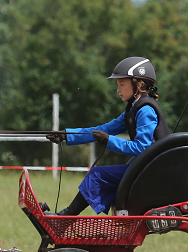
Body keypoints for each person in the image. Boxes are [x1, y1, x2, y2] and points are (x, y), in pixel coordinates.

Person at [45, 56, 170, 215]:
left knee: (97, 175)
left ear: (138, 85)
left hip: (153, 172)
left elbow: (142, 148)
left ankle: (66, 217)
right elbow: (103, 129)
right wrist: (67, 135)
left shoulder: (145, 110)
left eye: (121, 84)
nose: (118, 90)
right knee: (102, 175)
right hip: (146, 168)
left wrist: (109, 141)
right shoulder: (133, 109)